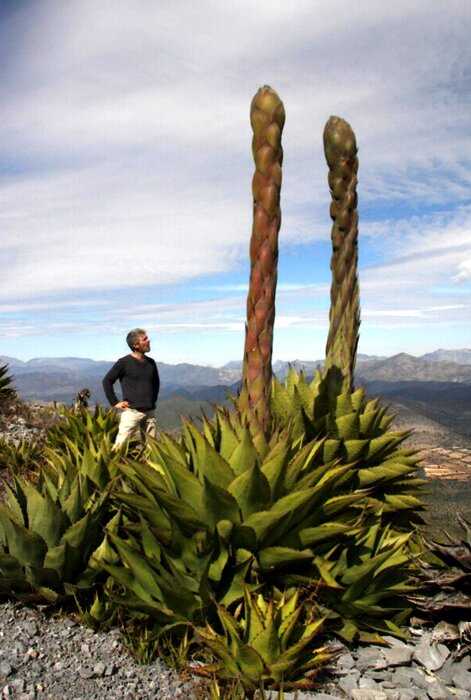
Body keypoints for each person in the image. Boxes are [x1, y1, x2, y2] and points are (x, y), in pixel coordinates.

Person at [102, 328, 160, 449]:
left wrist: (152, 402)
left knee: (152, 450)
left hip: (150, 413)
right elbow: (107, 381)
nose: (149, 341)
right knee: (119, 448)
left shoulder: (151, 362)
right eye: (145, 339)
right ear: (136, 345)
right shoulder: (124, 363)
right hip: (132, 412)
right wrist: (114, 402)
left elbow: (156, 383)